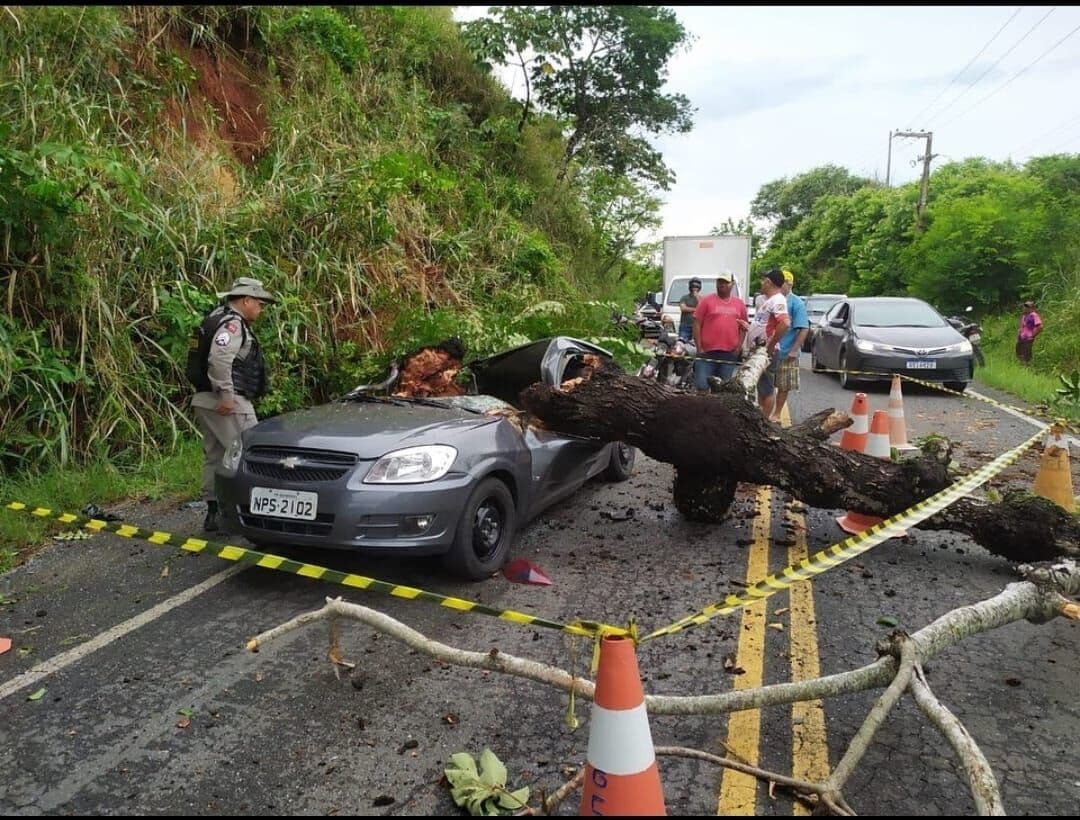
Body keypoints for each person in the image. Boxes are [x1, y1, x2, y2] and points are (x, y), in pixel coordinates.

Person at [187, 277, 278, 532]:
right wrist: (226, 395)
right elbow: (219, 359)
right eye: (259, 303)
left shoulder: (215, 317)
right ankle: (257, 515)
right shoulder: (233, 326)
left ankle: (214, 513)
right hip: (228, 403)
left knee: (215, 456)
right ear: (245, 300)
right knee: (251, 453)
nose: (261, 309)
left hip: (204, 400)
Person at [692, 270, 748, 389]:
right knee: (702, 386)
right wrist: (699, 347)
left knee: (723, 389)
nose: (722, 284)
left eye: (725, 282)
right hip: (706, 353)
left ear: (732, 284)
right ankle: (703, 407)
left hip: (729, 354)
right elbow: (696, 323)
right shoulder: (706, 301)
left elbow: (743, 326)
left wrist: (738, 348)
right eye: (720, 281)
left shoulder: (739, 304)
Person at [770, 269, 810, 422]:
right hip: (770, 350)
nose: (780, 286)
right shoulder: (772, 299)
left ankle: (777, 413)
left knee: (783, 385)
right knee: (766, 383)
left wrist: (794, 350)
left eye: (783, 283)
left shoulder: (796, 303)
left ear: (789, 284)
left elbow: (804, 328)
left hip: (787, 351)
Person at [753, 269, 791, 418]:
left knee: (766, 388)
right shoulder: (770, 300)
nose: (762, 284)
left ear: (768, 282)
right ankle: (762, 418)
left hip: (767, 351)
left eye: (764, 280)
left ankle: (764, 422)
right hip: (761, 349)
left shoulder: (778, 299)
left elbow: (785, 323)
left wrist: (770, 345)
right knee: (762, 388)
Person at [1016, 300, 1042, 365]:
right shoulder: (1024, 315)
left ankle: (1027, 368)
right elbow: (1022, 326)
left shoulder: (1034, 315)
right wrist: (1019, 331)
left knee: (1026, 354)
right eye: (1025, 306)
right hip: (1022, 337)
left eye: (1028, 307)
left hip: (1028, 337)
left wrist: (1032, 336)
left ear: (1032, 308)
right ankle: (1022, 366)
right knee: (1019, 352)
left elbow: (1040, 327)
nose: (1025, 308)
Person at [677, 277, 702, 342]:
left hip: (697, 326)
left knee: (695, 344)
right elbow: (683, 308)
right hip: (685, 325)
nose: (695, 288)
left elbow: (702, 308)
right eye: (693, 287)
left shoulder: (701, 298)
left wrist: (697, 297)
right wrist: (696, 309)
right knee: (681, 343)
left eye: (696, 287)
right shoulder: (684, 297)